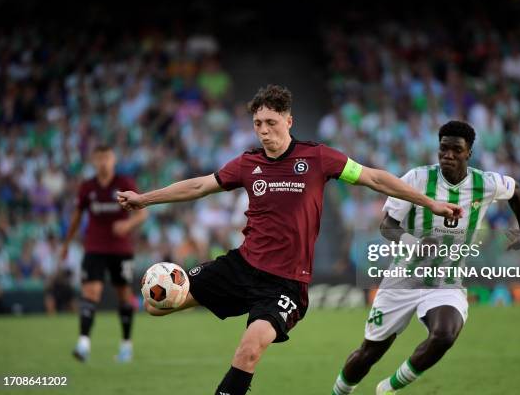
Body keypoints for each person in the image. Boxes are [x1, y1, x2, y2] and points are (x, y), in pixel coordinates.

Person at [117, 85, 462, 395]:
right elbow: (198, 186)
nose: (264, 131)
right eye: (258, 124)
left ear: (289, 121)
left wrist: (431, 203)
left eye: (271, 122)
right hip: (241, 266)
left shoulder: (318, 158)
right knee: (156, 305)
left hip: (284, 284)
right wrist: (144, 199)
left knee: (249, 349)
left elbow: (373, 178)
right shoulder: (246, 163)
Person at [330, 121, 520, 395]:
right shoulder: (417, 179)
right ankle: (339, 392)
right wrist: (413, 242)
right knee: (369, 353)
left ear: (468, 153)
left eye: (456, 150)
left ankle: (388, 388)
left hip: (445, 281)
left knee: (445, 335)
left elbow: (516, 191)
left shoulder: (484, 183)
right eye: (443, 148)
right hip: (402, 280)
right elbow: (387, 225)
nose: (448, 154)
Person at [60, 145, 148, 362]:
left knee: (123, 297)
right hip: (95, 248)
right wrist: (66, 244)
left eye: (107, 158)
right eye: (99, 158)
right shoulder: (87, 187)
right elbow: (77, 217)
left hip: (121, 249)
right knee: (90, 294)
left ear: (113, 159)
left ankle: (126, 345)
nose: (103, 162)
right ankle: (83, 344)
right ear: (93, 161)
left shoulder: (124, 184)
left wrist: (127, 226)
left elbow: (142, 214)